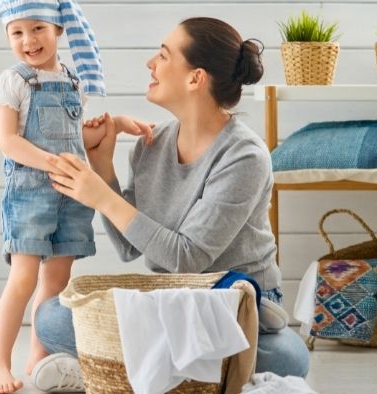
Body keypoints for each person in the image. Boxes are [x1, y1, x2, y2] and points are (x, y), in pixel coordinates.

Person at [31, 16, 311, 392]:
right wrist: (104, 167)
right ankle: (166, 370)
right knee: (50, 317)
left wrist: (99, 193)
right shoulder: (153, 144)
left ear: (196, 78)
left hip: (235, 306)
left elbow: (187, 257)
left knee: (289, 358)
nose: (150, 64)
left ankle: (109, 366)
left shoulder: (244, 157)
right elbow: (130, 247)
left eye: (163, 56)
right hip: (173, 299)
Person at [0, 1, 153, 393]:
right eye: (17, 32)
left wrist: (119, 124)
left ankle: (39, 355)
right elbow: (7, 141)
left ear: (59, 30)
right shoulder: (13, 81)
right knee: (23, 278)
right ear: (8, 37)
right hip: (30, 196)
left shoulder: (74, 81)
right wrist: (50, 161)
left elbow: (79, 141)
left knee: (57, 282)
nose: (29, 40)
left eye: (38, 28)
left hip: (73, 195)